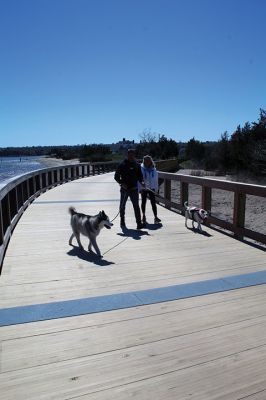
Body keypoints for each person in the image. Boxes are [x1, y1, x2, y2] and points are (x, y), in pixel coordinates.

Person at [114, 149, 144, 229]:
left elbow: (140, 176)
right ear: (127, 155)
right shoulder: (122, 164)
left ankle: (139, 223)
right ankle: (122, 221)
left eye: (132, 155)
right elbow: (116, 177)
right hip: (125, 189)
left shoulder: (137, 165)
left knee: (136, 206)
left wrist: (142, 182)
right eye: (129, 155)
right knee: (122, 206)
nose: (131, 156)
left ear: (134, 155)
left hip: (134, 189)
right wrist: (121, 183)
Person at [139, 155, 161, 225]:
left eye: (148, 160)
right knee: (143, 202)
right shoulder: (141, 168)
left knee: (153, 202)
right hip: (144, 187)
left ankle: (156, 217)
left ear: (151, 161)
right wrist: (140, 188)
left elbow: (155, 180)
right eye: (146, 160)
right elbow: (139, 178)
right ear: (144, 161)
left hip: (152, 188)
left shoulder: (153, 169)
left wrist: (156, 189)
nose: (147, 162)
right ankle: (143, 216)